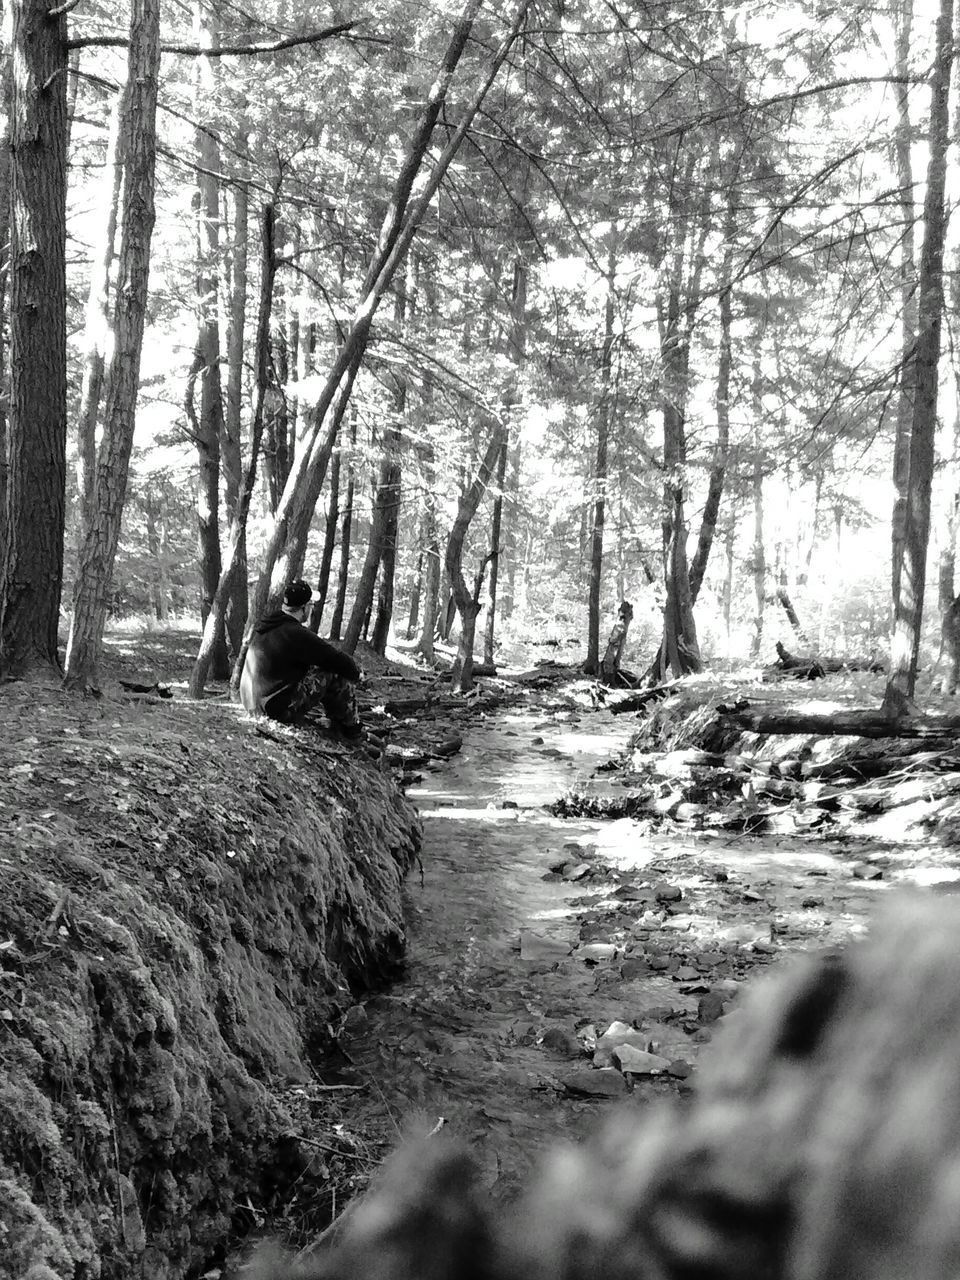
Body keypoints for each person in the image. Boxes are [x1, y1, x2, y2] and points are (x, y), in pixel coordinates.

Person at [239, 580, 365, 740]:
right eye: (311, 604)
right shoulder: (295, 633)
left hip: (253, 703)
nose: (312, 609)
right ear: (304, 607)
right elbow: (336, 659)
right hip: (273, 710)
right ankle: (350, 729)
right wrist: (357, 674)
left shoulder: (268, 627)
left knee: (317, 668)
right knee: (334, 673)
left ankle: (340, 724)